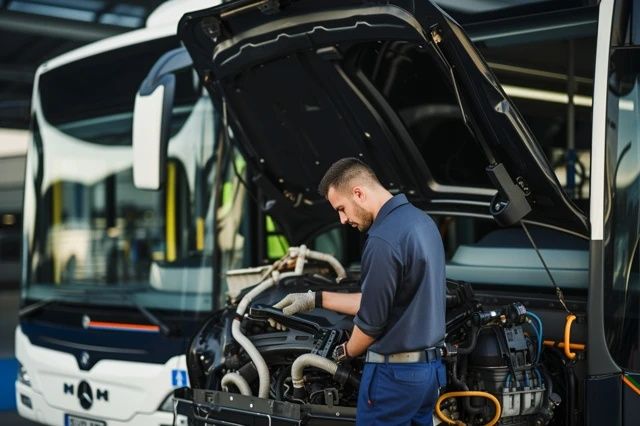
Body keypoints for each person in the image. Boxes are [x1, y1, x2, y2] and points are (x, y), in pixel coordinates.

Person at [271, 157, 447, 425]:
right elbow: (381, 300)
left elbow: (370, 325)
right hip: (427, 374)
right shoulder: (420, 222)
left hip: (393, 377)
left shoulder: (382, 238)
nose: (342, 219)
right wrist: (315, 298)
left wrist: (342, 353)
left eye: (341, 208)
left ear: (358, 193)